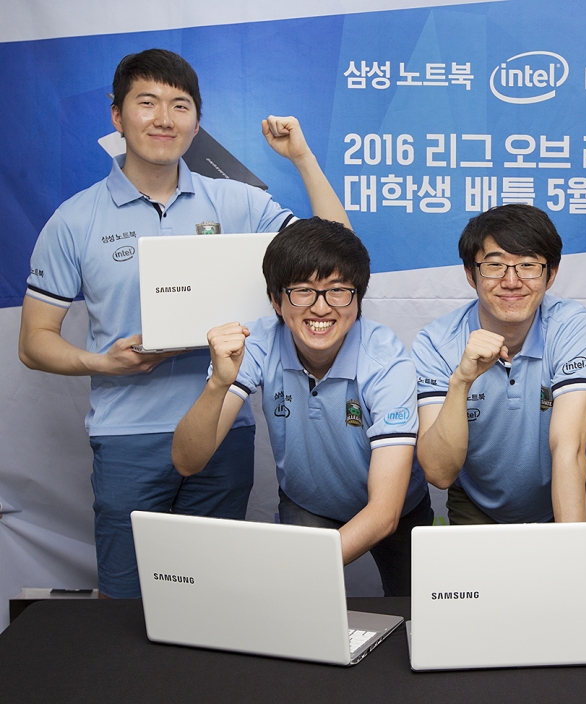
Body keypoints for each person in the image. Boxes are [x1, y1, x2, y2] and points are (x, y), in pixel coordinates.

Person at [18, 48, 349, 598]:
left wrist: (302, 158)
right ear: (117, 116)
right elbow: (34, 343)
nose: (164, 119)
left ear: (197, 122)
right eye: (146, 102)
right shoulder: (74, 220)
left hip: (223, 429)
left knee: (213, 601)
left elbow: (341, 255)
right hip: (127, 437)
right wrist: (105, 363)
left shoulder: (240, 203)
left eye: (180, 105)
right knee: (125, 604)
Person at [172, 218, 430, 596]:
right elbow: (187, 461)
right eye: (303, 291)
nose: (321, 308)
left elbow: (384, 513)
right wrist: (218, 384)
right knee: (300, 614)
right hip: (308, 502)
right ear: (276, 300)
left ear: (357, 298)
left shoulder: (386, 361)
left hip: (396, 509)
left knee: (413, 611)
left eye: (337, 290)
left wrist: (295, 571)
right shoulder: (256, 342)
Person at [413, 204, 586, 524]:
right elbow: (439, 474)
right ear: (470, 274)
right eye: (495, 265)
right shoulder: (436, 342)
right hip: (477, 504)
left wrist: (571, 546)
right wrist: (461, 381)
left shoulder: (570, 325)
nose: (511, 281)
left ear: (551, 274)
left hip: (560, 499)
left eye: (528, 265)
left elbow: (569, 449)